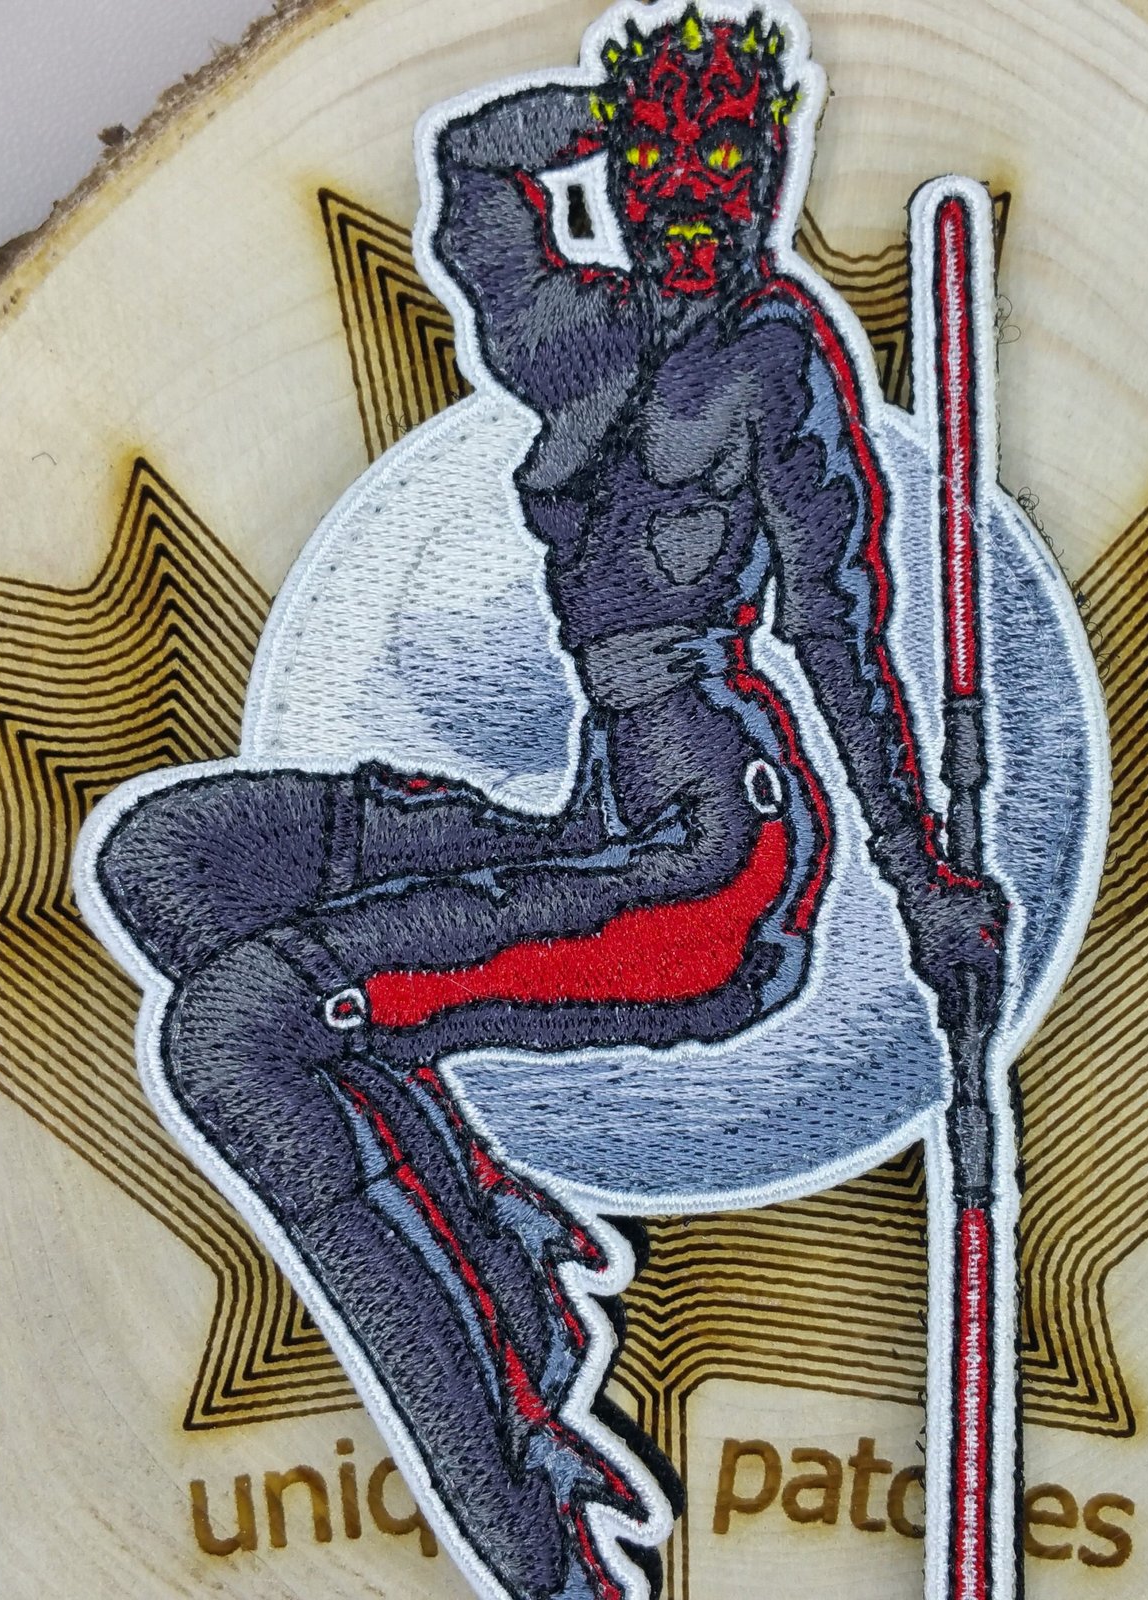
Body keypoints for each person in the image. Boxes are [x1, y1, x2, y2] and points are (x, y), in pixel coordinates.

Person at [91, 9, 1005, 1598]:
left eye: (734, 170)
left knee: (236, 1034)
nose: (704, 214)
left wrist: (924, 875)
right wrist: (636, 97)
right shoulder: (574, 337)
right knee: (171, 861)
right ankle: (489, 1252)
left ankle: (535, 1517)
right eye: (672, 175)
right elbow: (470, 164)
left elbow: (844, 632)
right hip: (598, 829)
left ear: (775, 172)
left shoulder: (774, 357)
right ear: (629, 179)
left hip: (714, 872)